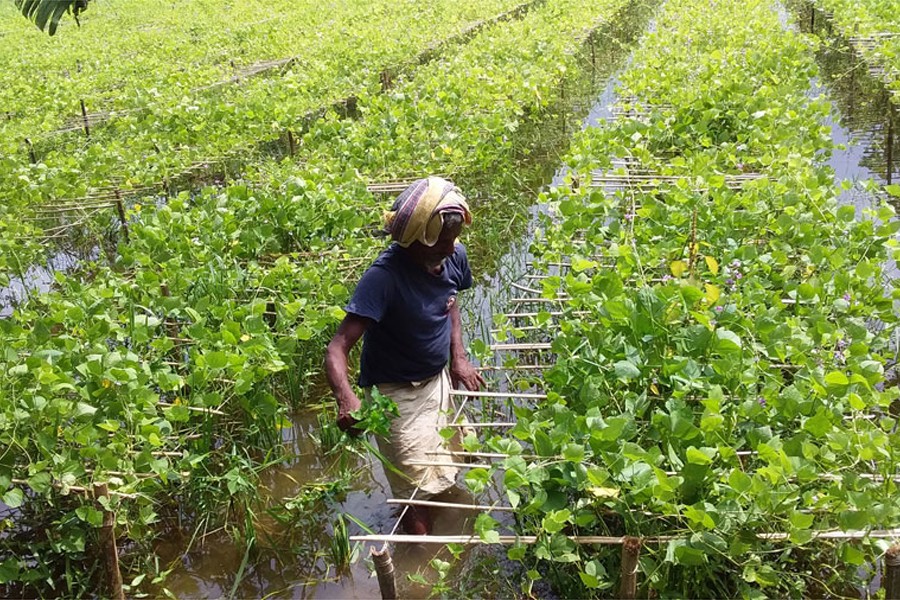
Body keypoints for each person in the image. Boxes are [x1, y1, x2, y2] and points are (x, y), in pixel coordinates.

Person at [325, 176, 484, 534]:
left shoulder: (454, 255)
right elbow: (338, 347)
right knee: (413, 491)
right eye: (439, 243)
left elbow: (450, 301)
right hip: (396, 395)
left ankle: (443, 542)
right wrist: (346, 398)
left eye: (451, 241)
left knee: (445, 466)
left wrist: (458, 356)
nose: (448, 249)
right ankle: (421, 559)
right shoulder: (384, 278)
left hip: (437, 381)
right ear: (414, 241)